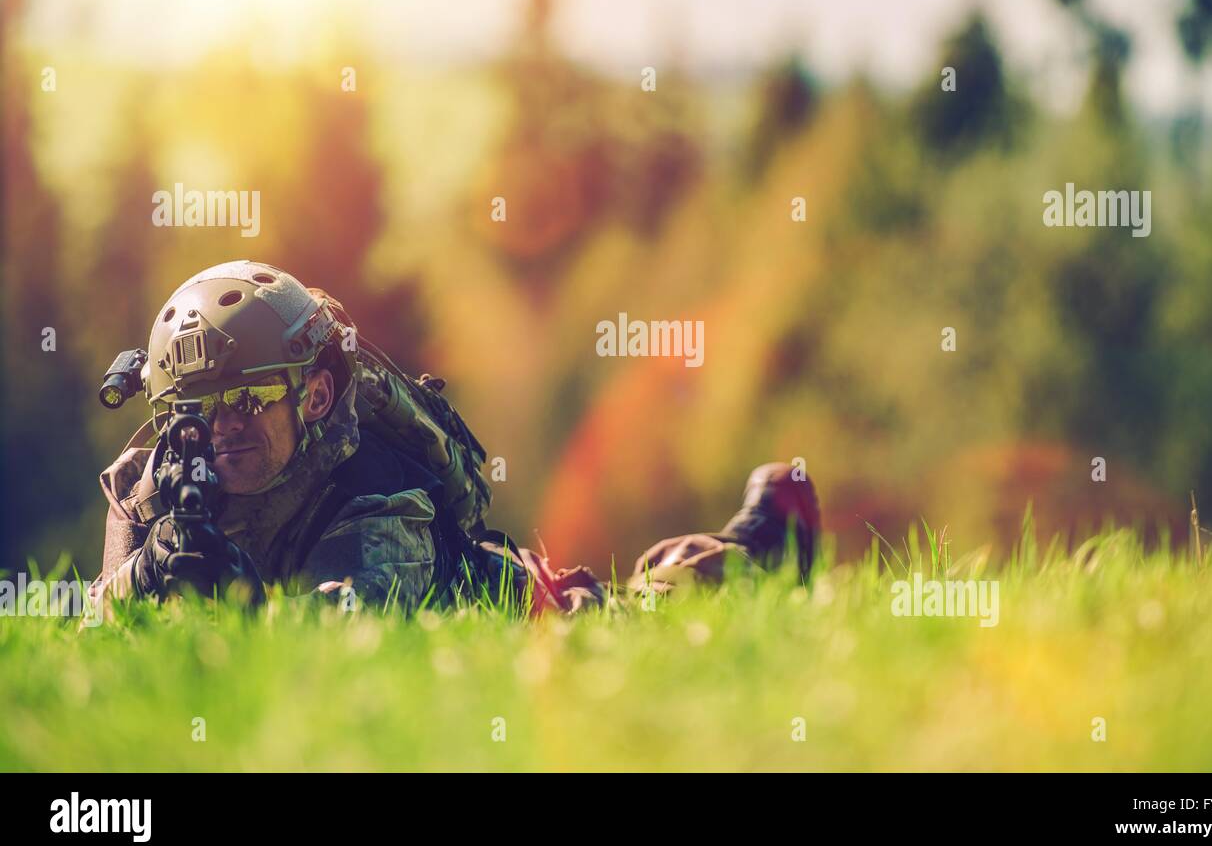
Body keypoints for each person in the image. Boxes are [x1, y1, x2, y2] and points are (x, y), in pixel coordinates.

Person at [89, 261, 820, 618]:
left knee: (640, 607)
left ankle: (766, 546)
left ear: (313, 395)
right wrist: (144, 576)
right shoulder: (156, 481)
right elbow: (88, 623)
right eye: (196, 406)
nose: (220, 428)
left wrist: (239, 600)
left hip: (506, 597)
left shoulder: (372, 491)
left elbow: (351, 628)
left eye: (247, 397)